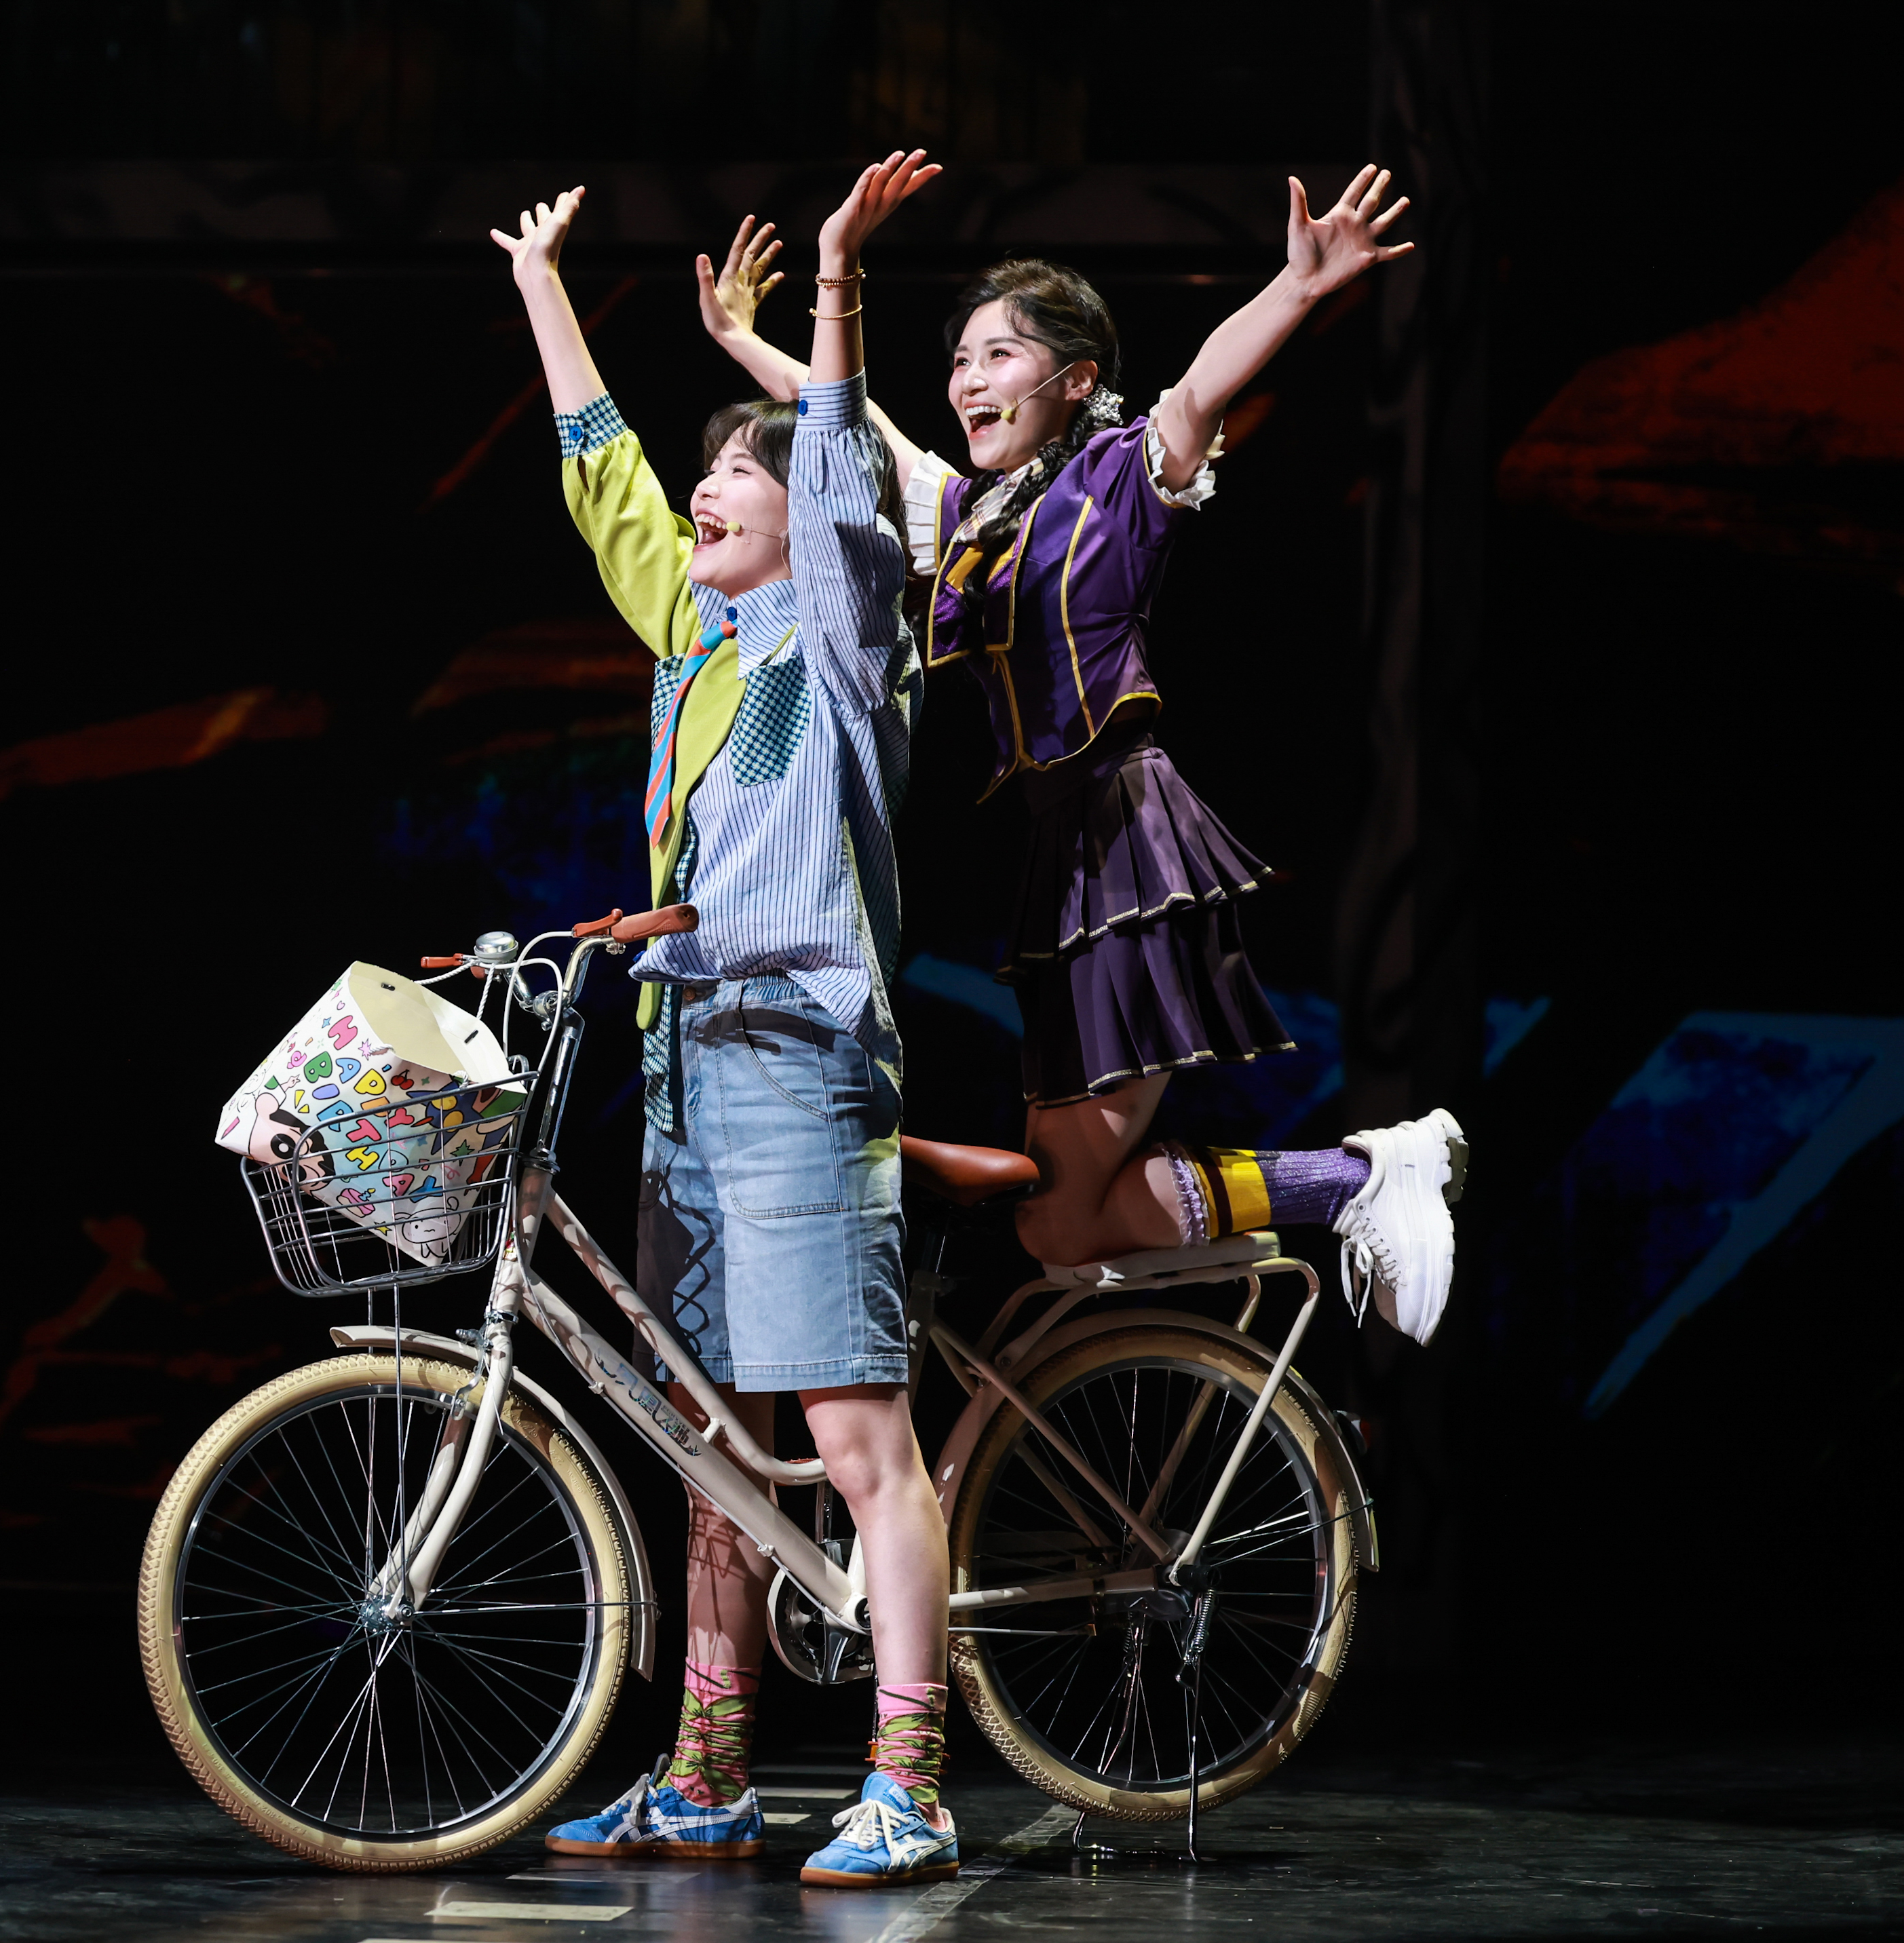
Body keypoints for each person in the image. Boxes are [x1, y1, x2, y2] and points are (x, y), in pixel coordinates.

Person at [700, 166, 1468, 1345]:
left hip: (1128, 848)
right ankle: (1348, 1181)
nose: (968, 380)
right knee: (1059, 1225)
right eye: (960, 360)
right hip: (1059, 873)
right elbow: (850, 424)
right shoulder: (966, 516)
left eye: (998, 356)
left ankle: (1364, 1179)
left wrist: (1300, 285)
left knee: (1062, 1214)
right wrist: (749, 338)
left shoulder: (1121, 479)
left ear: (1075, 379)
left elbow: (1201, 387)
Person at [493, 157, 964, 1890]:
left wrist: (833, 289)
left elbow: (838, 468)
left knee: (853, 1444)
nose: (705, 492)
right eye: (710, 475)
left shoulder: (841, 640)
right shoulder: (695, 642)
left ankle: (911, 1776)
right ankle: (707, 1774)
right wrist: (543, 290)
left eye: (737, 476)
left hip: (804, 1063)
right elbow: (604, 482)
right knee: (706, 1450)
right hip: (688, 1067)